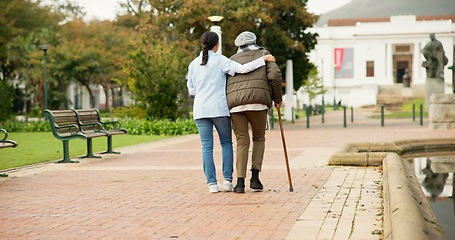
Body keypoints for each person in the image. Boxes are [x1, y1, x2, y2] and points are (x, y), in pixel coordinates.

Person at [187, 31, 276, 193]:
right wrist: (262, 59)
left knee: (206, 147)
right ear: (217, 45)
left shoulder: (193, 64)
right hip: (219, 109)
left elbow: (191, 90)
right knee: (226, 143)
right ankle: (227, 181)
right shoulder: (221, 60)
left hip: (200, 110)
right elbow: (242, 69)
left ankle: (212, 184)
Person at [226, 31, 283, 194]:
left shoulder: (231, 60)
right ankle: (255, 179)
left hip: (236, 105)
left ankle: (240, 183)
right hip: (258, 102)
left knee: (242, 141)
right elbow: (275, 76)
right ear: (255, 41)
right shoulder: (264, 54)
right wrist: (277, 99)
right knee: (259, 138)